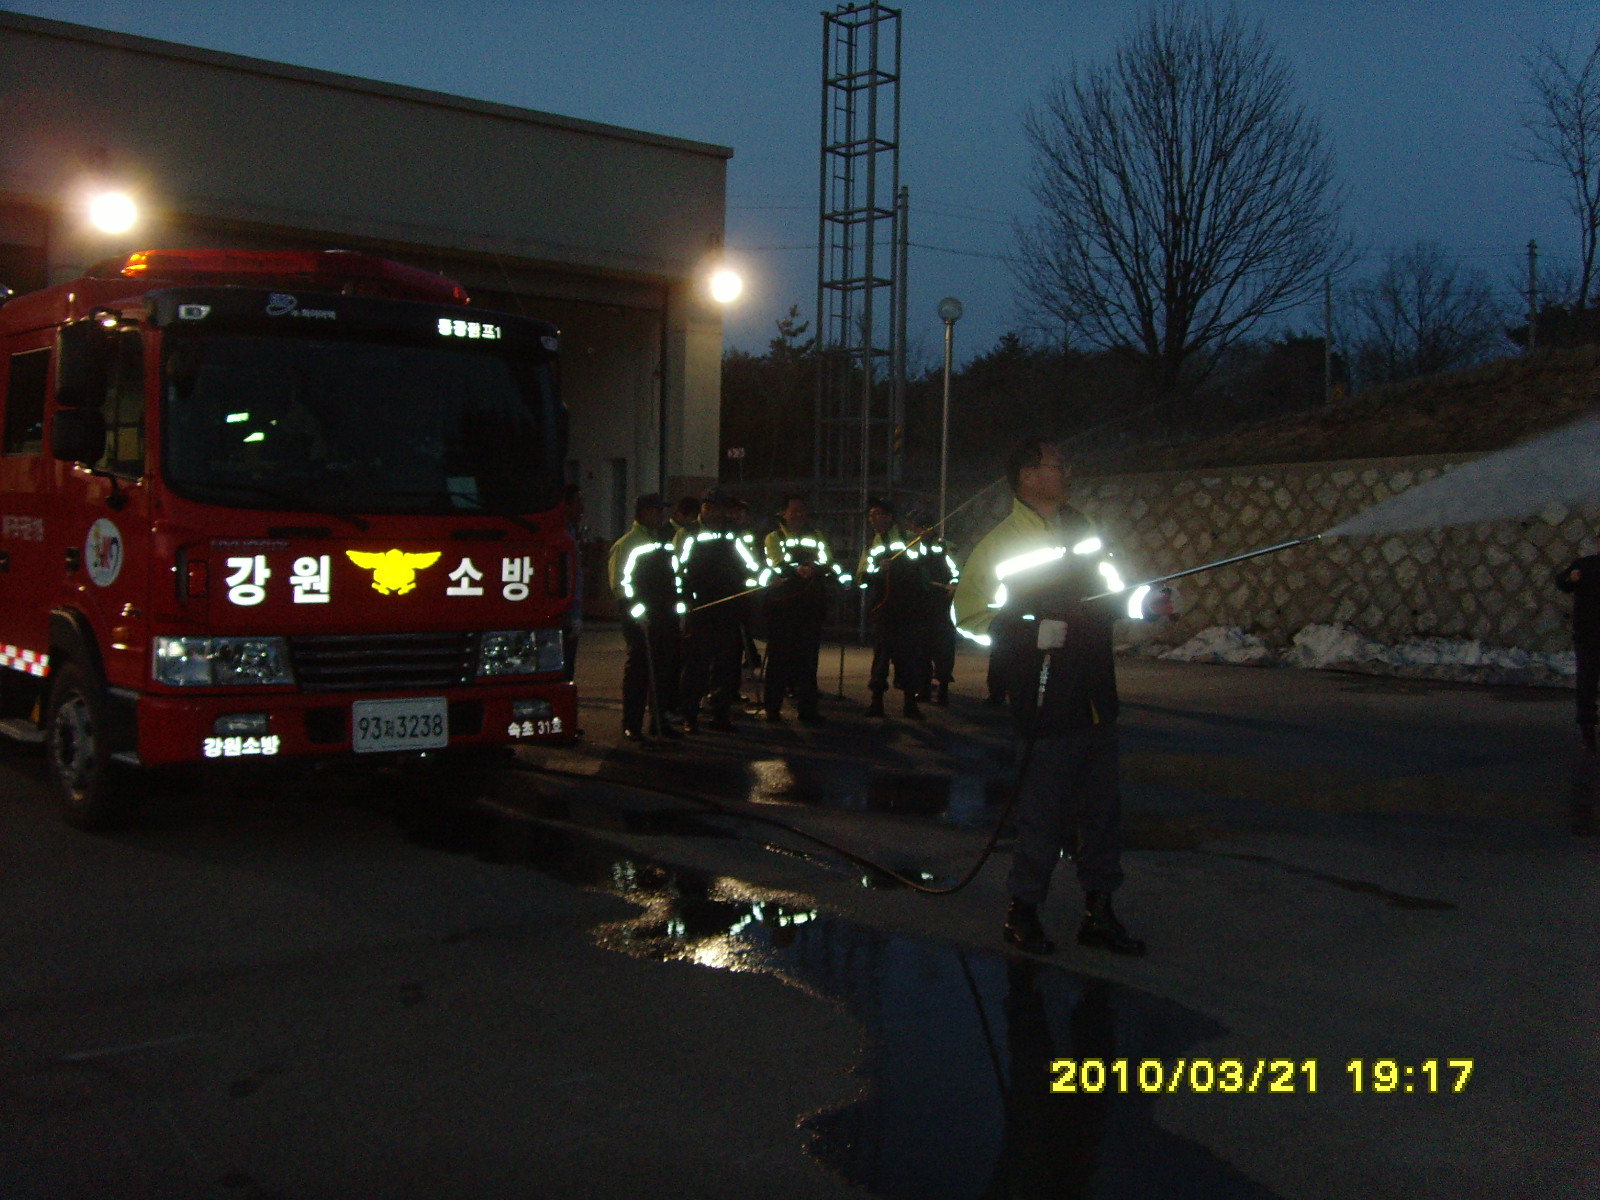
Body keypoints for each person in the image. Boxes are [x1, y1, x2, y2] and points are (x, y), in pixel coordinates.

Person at [953, 436, 1172, 958]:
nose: (1068, 472)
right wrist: (1028, 633)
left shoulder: (1084, 528)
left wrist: (1146, 604)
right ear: (1029, 476)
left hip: (1096, 691)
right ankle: (1023, 911)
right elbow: (968, 617)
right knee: (1043, 814)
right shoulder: (999, 545)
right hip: (1045, 698)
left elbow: (1111, 591)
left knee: (1102, 813)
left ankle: (1100, 912)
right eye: (1058, 465)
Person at [678, 488, 762, 732]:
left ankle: (721, 714)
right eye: (709, 507)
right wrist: (685, 599)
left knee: (726, 665)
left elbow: (750, 563)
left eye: (717, 508)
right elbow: (678, 568)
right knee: (696, 665)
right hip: (700, 607)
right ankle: (690, 715)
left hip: (728, 606)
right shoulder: (689, 533)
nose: (713, 512)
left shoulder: (733, 533)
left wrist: (763, 578)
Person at [607, 493, 684, 742]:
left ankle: (659, 722)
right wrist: (638, 613)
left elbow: (674, 575)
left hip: (665, 615)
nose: (661, 515)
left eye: (662, 510)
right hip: (640, 618)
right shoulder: (628, 543)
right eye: (657, 510)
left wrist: (679, 607)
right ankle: (632, 724)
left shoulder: (663, 541)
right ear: (643, 513)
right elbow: (620, 585)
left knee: (663, 671)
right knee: (639, 670)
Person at [761, 494, 842, 723]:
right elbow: (775, 562)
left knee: (808, 661)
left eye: (802, 510)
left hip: (810, 607)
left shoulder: (816, 536)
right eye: (794, 510)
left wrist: (817, 569)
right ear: (783, 513)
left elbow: (828, 561)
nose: (799, 515)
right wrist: (796, 570)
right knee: (779, 659)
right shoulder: (774, 537)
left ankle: (808, 709)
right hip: (783, 607)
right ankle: (772, 708)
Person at [858, 497, 931, 719]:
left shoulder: (909, 538)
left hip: (908, 608)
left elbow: (921, 561)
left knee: (909, 656)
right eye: (871, 515)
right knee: (881, 656)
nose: (873, 519)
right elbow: (861, 577)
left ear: (889, 517)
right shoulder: (871, 545)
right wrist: (877, 570)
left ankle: (910, 703)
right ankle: (876, 701)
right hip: (883, 609)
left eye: (878, 514)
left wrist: (924, 543)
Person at [905, 508, 959, 707]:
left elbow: (957, 570)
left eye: (920, 526)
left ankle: (942, 688)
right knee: (921, 649)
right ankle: (924, 688)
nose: (917, 531)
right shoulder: (911, 547)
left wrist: (953, 584)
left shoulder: (944, 546)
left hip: (941, 603)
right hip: (920, 604)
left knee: (943, 648)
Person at [1556, 541, 1600, 753]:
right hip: (1588, 635)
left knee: (1587, 683)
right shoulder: (1585, 565)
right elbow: (1562, 582)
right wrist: (1571, 579)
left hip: (1587, 634)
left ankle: (1587, 731)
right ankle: (1587, 731)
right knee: (1587, 684)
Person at [561, 482, 585, 684]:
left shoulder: (571, 532)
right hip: (564, 612)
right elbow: (570, 577)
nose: (582, 507)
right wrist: (574, 615)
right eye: (578, 501)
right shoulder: (562, 535)